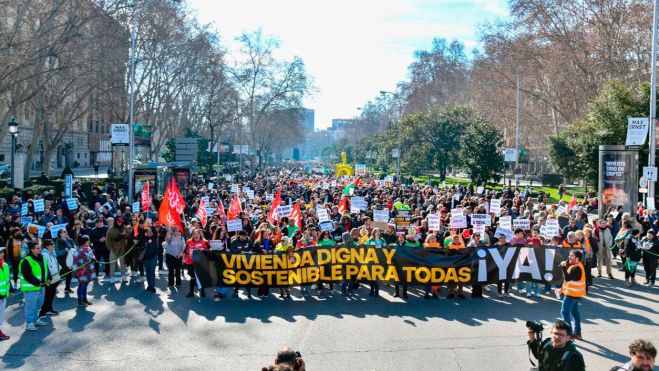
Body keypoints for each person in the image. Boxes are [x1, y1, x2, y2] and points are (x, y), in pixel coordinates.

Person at [20, 241, 49, 331]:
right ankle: (29, 323)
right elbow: (27, 275)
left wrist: (48, 278)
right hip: (31, 288)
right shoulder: (26, 260)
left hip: (41, 286)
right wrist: (37, 282)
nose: (40, 249)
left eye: (40, 248)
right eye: (38, 248)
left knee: (38, 304)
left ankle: (35, 320)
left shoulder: (42, 257)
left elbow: (46, 269)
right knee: (31, 306)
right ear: (32, 249)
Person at [560, 250, 586, 340]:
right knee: (575, 313)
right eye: (569, 255)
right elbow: (570, 281)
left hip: (571, 295)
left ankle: (569, 334)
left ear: (577, 258)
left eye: (571, 256)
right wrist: (561, 289)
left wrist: (563, 267)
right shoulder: (576, 266)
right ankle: (577, 333)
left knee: (564, 312)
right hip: (574, 294)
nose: (569, 257)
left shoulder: (576, 268)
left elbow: (567, 278)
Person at [70, 235, 96, 307]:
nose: (89, 241)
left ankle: (85, 299)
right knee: (81, 285)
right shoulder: (78, 251)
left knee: (86, 285)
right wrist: (76, 273)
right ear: (85, 242)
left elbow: (92, 256)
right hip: (81, 272)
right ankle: (79, 301)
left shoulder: (88, 248)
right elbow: (75, 263)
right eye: (88, 240)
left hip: (88, 270)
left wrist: (93, 258)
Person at [184, 229, 208, 298]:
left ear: (200, 235)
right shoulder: (189, 242)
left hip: (201, 262)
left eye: (197, 234)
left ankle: (202, 292)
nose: (196, 235)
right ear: (192, 235)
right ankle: (191, 292)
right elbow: (185, 251)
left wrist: (203, 250)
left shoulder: (205, 242)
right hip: (190, 262)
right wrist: (183, 260)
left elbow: (209, 250)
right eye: (194, 234)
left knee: (201, 277)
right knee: (193, 277)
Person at [39, 239, 60, 316]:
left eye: (53, 244)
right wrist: (48, 277)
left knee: (51, 295)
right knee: (47, 296)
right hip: (49, 279)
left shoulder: (52, 252)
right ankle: (43, 312)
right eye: (51, 244)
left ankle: (49, 309)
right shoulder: (44, 255)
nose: (53, 246)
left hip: (55, 277)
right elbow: (44, 267)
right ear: (47, 246)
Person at [106, 217, 129, 284]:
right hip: (113, 249)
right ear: (116, 221)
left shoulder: (124, 227)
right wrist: (110, 248)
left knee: (123, 264)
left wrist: (125, 234)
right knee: (112, 264)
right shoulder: (111, 229)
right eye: (119, 221)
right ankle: (112, 277)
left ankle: (123, 277)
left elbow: (129, 236)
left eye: (121, 221)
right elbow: (108, 240)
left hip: (122, 249)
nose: (120, 223)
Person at [139, 226, 159, 293]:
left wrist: (150, 225)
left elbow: (155, 232)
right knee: (147, 272)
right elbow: (140, 234)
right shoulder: (144, 238)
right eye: (148, 231)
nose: (149, 232)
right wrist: (144, 228)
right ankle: (149, 286)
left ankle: (152, 286)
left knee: (152, 272)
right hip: (145, 258)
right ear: (146, 233)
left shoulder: (155, 237)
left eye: (150, 231)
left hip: (153, 257)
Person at [0, 245, 10, 340]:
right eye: (1, 253)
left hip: (3, 295)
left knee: (1, 315)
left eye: (3, 252)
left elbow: (7, 280)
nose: (2, 254)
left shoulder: (5, 265)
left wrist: (9, 291)